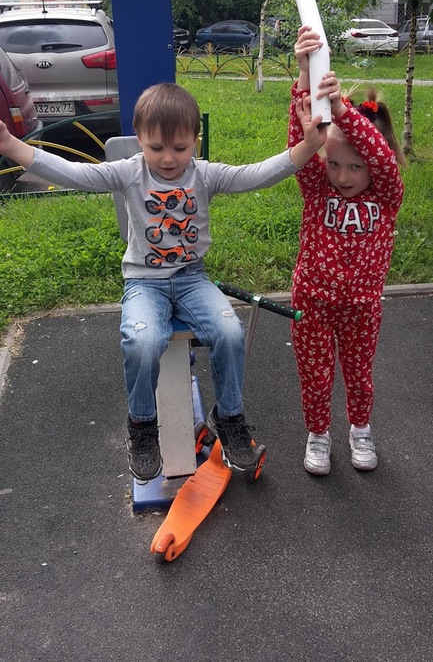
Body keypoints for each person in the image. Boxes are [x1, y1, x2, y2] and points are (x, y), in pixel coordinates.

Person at [0, 81, 329, 483]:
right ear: (139, 139)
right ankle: (141, 426)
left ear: (195, 141)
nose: (169, 158)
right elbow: (75, 173)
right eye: (156, 148)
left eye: (180, 147)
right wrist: (12, 145)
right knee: (143, 342)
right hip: (144, 282)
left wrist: (307, 147)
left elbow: (254, 175)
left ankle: (229, 417)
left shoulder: (204, 175)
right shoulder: (129, 172)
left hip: (192, 279)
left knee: (229, 333)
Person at [287, 26, 405, 476]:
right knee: (315, 375)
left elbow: (382, 160)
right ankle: (318, 434)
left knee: (358, 374)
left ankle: (360, 429)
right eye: (335, 163)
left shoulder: (386, 195)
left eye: (355, 167)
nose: (342, 176)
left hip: (361, 307)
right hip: (312, 301)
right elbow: (301, 147)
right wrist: (304, 76)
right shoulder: (318, 188)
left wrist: (342, 110)